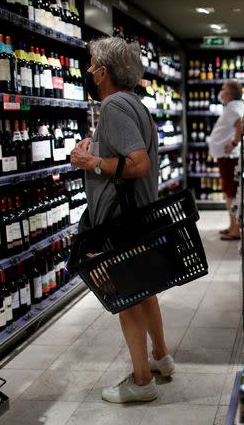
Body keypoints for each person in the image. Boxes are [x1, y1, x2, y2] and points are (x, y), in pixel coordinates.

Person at [70, 36, 173, 403]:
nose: (88, 72)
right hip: (137, 217)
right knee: (146, 291)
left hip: (120, 223)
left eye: (92, 65)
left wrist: (90, 162)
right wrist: (93, 152)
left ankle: (142, 383)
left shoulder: (113, 105)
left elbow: (137, 164)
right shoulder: (136, 104)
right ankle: (161, 358)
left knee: (127, 298)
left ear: (104, 71)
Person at [207, 79, 244, 240]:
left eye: (223, 89)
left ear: (228, 93)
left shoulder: (234, 107)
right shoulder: (233, 106)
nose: (221, 92)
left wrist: (234, 142)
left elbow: (240, 125)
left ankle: (235, 230)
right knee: (230, 191)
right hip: (226, 156)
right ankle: (232, 226)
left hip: (229, 157)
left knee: (231, 193)